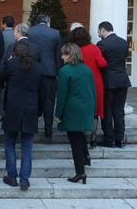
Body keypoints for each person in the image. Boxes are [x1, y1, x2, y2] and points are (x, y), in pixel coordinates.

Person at [0, 42, 43, 191]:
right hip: (31, 110)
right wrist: (40, 112)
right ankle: (25, 180)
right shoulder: (38, 67)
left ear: (14, 52)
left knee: (9, 143)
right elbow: (43, 92)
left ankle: (12, 177)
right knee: (27, 147)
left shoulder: (11, 64)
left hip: (13, 109)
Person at [55, 43, 95, 185]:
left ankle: (80, 172)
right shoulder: (86, 69)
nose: (61, 57)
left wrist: (58, 114)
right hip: (85, 108)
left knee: (75, 142)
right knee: (80, 137)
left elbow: (62, 95)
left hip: (72, 110)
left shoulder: (65, 71)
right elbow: (92, 91)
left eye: (64, 54)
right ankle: (85, 161)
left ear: (70, 54)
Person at [69, 27, 107, 148]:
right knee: (94, 112)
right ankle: (93, 138)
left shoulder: (72, 49)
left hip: (78, 82)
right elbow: (102, 63)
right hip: (95, 82)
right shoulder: (94, 48)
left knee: (81, 110)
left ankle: (83, 138)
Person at [96, 21, 131, 148]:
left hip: (108, 82)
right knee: (119, 111)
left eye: (99, 31)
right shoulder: (123, 42)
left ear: (103, 30)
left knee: (107, 111)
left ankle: (109, 139)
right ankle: (119, 140)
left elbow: (99, 63)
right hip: (123, 81)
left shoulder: (102, 44)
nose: (98, 34)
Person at [28, 14, 62, 138]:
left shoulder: (30, 32)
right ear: (48, 21)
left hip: (32, 70)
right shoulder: (55, 33)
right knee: (49, 101)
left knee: (32, 100)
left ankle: (32, 128)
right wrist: (58, 72)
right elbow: (58, 55)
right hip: (49, 72)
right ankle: (48, 130)